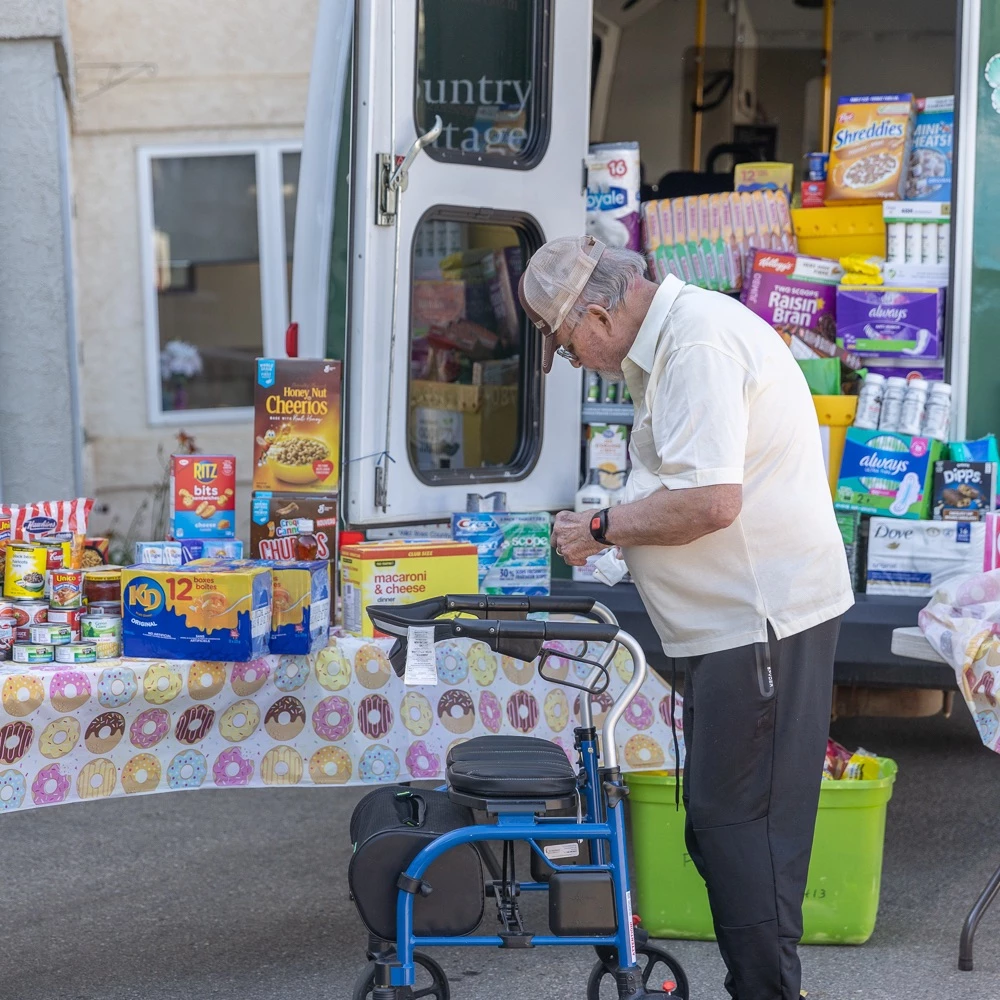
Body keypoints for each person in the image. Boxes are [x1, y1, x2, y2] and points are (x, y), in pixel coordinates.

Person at [518, 235, 855, 1000]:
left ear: (600, 313)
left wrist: (604, 529)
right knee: (723, 828)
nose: (576, 362)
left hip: (759, 622)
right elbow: (685, 483)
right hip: (738, 626)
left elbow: (710, 502)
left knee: (742, 832)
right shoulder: (677, 342)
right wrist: (617, 537)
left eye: (569, 346)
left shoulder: (697, 345)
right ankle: (765, 987)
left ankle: (770, 993)